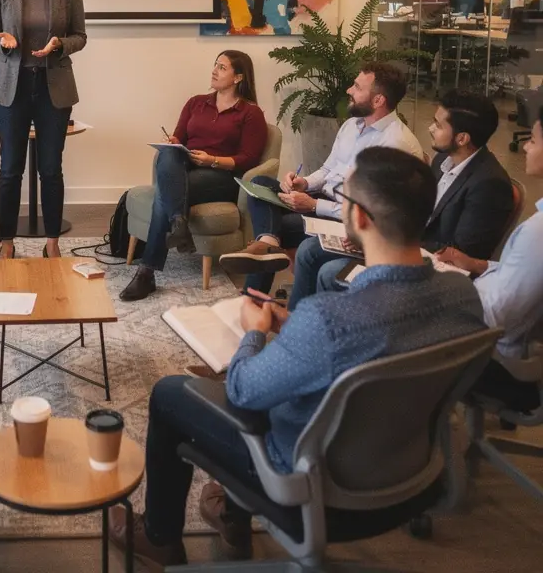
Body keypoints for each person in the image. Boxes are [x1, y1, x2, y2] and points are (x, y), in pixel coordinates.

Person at [108, 147, 486, 567]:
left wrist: (255, 334)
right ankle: (230, 511)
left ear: (358, 218)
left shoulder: (330, 319)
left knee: (171, 393)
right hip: (417, 479)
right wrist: (290, 328)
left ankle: (160, 538)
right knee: (291, 381)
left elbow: (244, 392)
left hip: (314, 491)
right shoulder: (462, 296)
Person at [291, 89, 513, 308]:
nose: (430, 128)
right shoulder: (443, 160)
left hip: (428, 269)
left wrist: (386, 241)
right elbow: (413, 211)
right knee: (311, 249)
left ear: (462, 138)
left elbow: (460, 253)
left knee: (329, 273)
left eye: (438, 124)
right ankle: (297, 322)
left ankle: (324, 331)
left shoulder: (489, 184)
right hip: (405, 247)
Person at [218, 62, 422, 296]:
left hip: (346, 219)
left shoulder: (395, 144)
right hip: (319, 200)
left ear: (378, 101)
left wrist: (314, 205)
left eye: (357, 87)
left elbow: (369, 211)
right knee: (260, 185)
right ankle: (268, 244)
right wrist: (304, 183)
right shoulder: (352, 125)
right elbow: (328, 169)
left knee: (278, 226)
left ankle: (255, 295)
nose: (349, 91)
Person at [120, 51, 267, 302]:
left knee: (163, 197)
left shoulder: (251, 113)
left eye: (222, 67)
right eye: (215, 65)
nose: (214, 70)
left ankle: (147, 272)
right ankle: (178, 221)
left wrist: (213, 161)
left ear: (238, 77)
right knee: (168, 154)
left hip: (221, 176)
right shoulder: (196, 102)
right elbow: (180, 138)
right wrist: (175, 143)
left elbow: (250, 158)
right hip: (186, 169)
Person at [0, 0, 86, 259]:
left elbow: (80, 36)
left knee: (50, 169)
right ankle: (7, 244)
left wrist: (59, 45)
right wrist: (4, 44)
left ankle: (53, 244)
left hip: (52, 86)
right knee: (10, 169)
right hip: (11, 87)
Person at [438, 107, 543, 415]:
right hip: (519, 341)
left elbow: (495, 315)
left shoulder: (537, 233)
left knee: (392, 324)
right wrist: (481, 266)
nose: (524, 146)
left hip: (501, 361)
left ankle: (409, 442)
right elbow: (526, 276)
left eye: (534, 140)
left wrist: (441, 289)